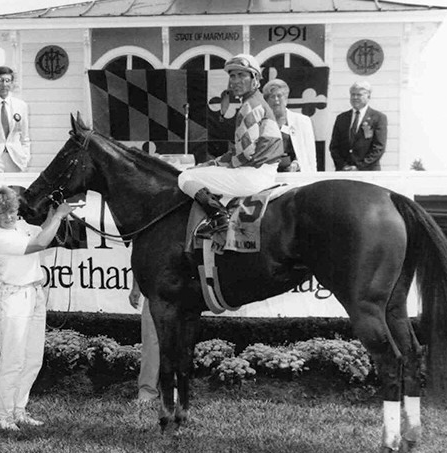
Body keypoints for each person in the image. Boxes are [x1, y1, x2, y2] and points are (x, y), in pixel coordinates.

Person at [0, 187, 73, 431]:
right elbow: (39, 244)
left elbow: (42, 230)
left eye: (12, 211)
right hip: (13, 296)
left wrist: (55, 212)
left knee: (33, 358)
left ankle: (19, 409)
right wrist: (59, 216)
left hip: (34, 293)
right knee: (13, 360)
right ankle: (3, 416)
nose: (9, 216)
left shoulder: (20, 225)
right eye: (3, 212)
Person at [177, 53, 286, 238]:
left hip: (253, 176)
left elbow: (244, 156)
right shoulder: (257, 102)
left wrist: (210, 165)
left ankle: (219, 218)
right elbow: (240, 152)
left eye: (242, 75)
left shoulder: (249, 106)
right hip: (262, 172)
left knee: (185, 177)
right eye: (232, 76)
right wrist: (212, 164)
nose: (235, 81)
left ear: (255, 79)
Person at [330, 81, 388, 171]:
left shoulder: (378, 118)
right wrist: (343, 166)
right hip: (344, 172)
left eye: (359, 95)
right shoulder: (341, 118)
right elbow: (334, 147)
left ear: (368, 97)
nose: (355, 97)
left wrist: (359, 167)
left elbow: (379, 148)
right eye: (353, 95)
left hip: (368, 172)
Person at [262, 79, 317, 173]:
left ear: (286, 98)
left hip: (295, 173)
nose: (276, 100)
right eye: (272, 96)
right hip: (268, 173)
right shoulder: (262, 122)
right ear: (267, 101)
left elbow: (309, 152)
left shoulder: (302, 121)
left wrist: (297, 163)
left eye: (279, 96)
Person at [128, 280, 159, 403]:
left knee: (176, 341)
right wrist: (136, 287)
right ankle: (147, 392)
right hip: (153, 289)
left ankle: (173, 389)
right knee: (151, 342)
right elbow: (139, 260)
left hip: (179, 288)